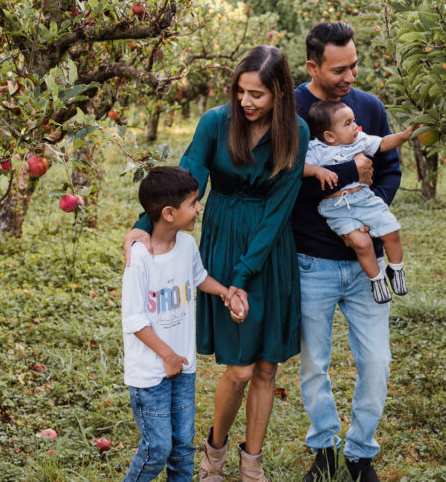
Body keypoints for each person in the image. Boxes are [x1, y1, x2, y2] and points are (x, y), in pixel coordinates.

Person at [124, 45, 309, 482]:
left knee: (266, 365)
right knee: (240, 367)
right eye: (241, 91)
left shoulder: (295, 133)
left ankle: (252, 466)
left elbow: (279, 210)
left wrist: (246, 276)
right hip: (224, 243)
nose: (246, 101)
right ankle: (214, 453)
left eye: (258, 94)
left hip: (270, 249)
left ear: (279, 94)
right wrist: (144, 227)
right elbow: (187, 178)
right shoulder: (214, 123)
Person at [293, 21, 401, 482]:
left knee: (376, 362)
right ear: (312, 66)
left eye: (354, 65)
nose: (350, 77)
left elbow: (389, 170)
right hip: (311, 260)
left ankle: (360, 452)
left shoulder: (369, 109)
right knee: (314, 364)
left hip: (365, 264)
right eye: (340, 69)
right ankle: (325, 449)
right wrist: (347, 183)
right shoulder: (291, 111)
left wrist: (362, 218)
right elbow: (285, 180)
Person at [122, 166, 248, 482]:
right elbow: (135, 319)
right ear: (168, 213)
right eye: (193, 203)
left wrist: (225, 293)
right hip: (151, 374)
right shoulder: (140, 258)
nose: (198, 208)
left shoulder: (187, 246)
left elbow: (197, 277)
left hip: (183, 368)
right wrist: (166, 355)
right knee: (157, 449)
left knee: (181, 450)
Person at [303, 99, 418, 304]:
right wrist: (317, 170)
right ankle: (377, 280)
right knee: (361, 243)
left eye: (354, 120)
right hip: (336, 207)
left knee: (391, 230)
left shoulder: (360, 140)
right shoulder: (316, 149)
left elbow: (383, 143)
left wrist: (404, 135)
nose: (355, 126)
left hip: (364, 199)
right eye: (347, 123)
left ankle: (396, 269)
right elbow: (298, 168)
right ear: (329, 136)